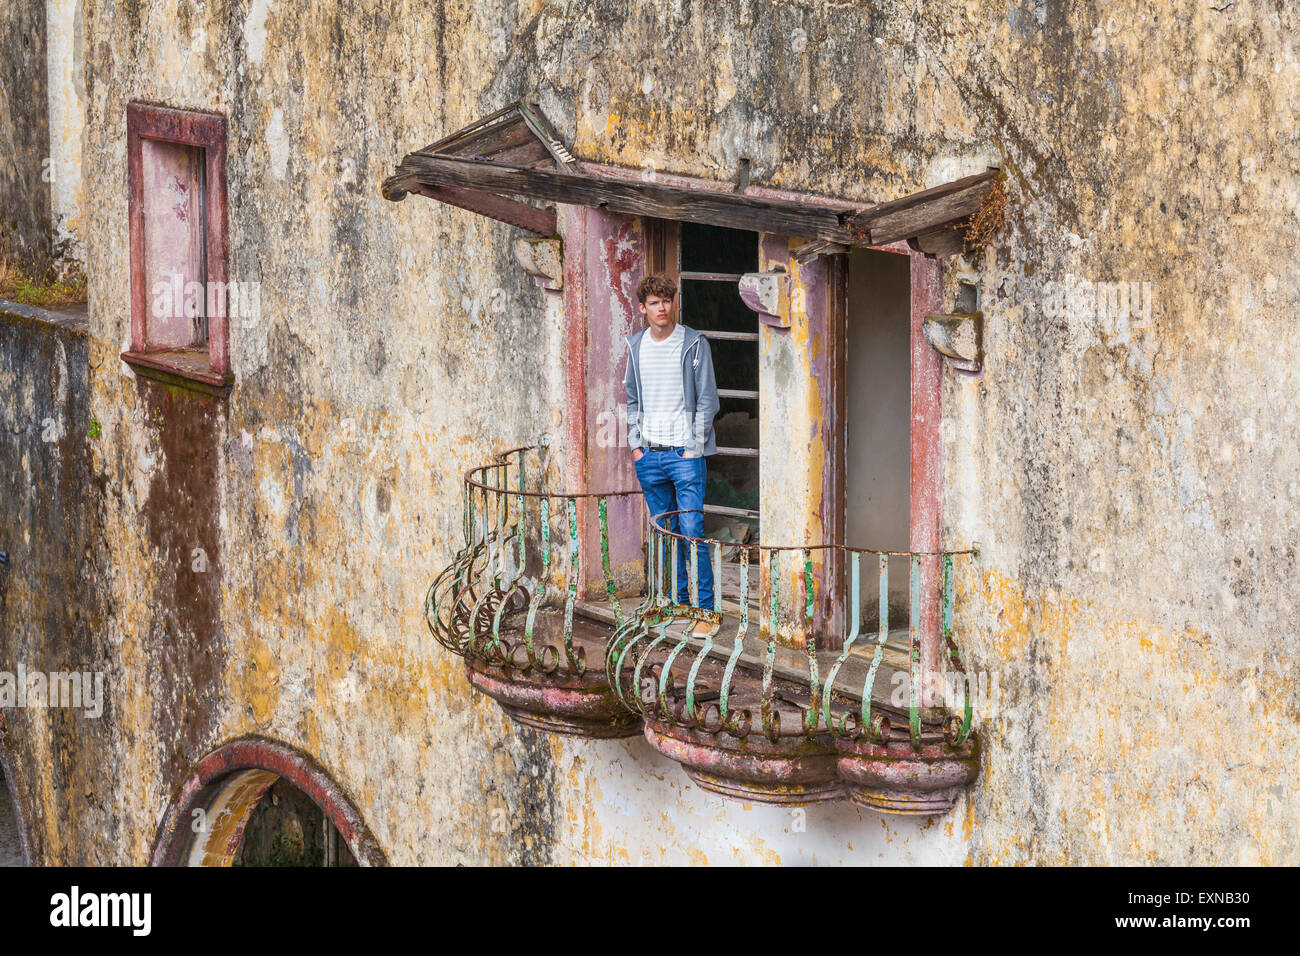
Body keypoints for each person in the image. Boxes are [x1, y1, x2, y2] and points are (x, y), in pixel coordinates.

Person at [623, 273, 720, 637]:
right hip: (649, 455)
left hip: (684, 455)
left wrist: (693, 445)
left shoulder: (694, 343)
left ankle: (705, 613)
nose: (661, 308)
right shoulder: (635, 346)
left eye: (666, 300)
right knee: (667, 534)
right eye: (653, 302)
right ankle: (677, 603)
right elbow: (632, 400)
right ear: (642, 308)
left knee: (693, 530)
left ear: (673, 302)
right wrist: (636, 446)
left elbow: (708, 399)